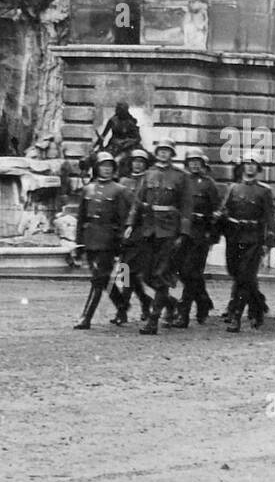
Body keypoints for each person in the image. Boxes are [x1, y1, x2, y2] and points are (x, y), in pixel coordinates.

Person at [124, 138, 193, 335]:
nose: (164, 154)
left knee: (160, 273)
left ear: (172, 154)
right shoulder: (148, 174)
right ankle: (170, 304)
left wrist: (183, 232)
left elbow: (187, 208)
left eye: (167, 151)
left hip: (169, 230)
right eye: (161, 150)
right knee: (145, 274)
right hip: (148, 228)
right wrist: (130, 224)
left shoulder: (180, 176)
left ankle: (153, 320)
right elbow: (138, 202)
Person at [73, 151, 132, 329]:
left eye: (110, 167)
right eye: (103, 166)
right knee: (103, 277)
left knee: (98, 278)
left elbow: (123, 218)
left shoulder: (119, 190)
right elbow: (81, 217)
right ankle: (122, 305)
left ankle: (86, 317)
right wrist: (78, 242)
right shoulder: (88, 189)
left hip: (108, 239)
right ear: (96, 168)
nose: (106, 170)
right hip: (90, 237)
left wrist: (122, 241)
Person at [218, 153, 274, 332]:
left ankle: (236, 316)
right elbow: (224, 209)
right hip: (234, 236)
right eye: (247, 164)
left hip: (253, 238)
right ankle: (258, 307)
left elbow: (269, 219)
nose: (250, 167)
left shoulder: (264, 191)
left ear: (258, 169)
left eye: (254, 165)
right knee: (236, 273)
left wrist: (267, 242)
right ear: (242, 167)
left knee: (244, 276)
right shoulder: (233, 188)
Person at [171, 147, 222, 328]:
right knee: (183, 271)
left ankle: (183, 314)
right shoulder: (181, 181)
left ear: (202, 164)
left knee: (191, 272)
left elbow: (217, 211)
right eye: (191, 162)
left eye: (197, 162)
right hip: (182, 232)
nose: (194, 165)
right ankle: (203, 300)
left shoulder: (209, 184)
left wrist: (212, 236)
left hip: (200, 233)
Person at [108, 148, 154, 325]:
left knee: (132, 271)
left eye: (141, 161)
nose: (138, 164)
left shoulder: (149, 181)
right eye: (135, 161)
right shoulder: (123, 182)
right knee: (127, 272)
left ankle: (124, 309)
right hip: (124, 231)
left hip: (142, 231)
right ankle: (142, 301)